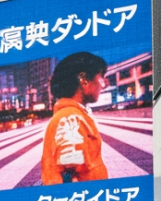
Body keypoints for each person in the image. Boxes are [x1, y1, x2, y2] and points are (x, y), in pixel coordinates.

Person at [41, 52, 110, 186]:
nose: (103, 85)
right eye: (101, 78)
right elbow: (69, 177)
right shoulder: (70, 118)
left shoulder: (73, 115)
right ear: (83, 79)